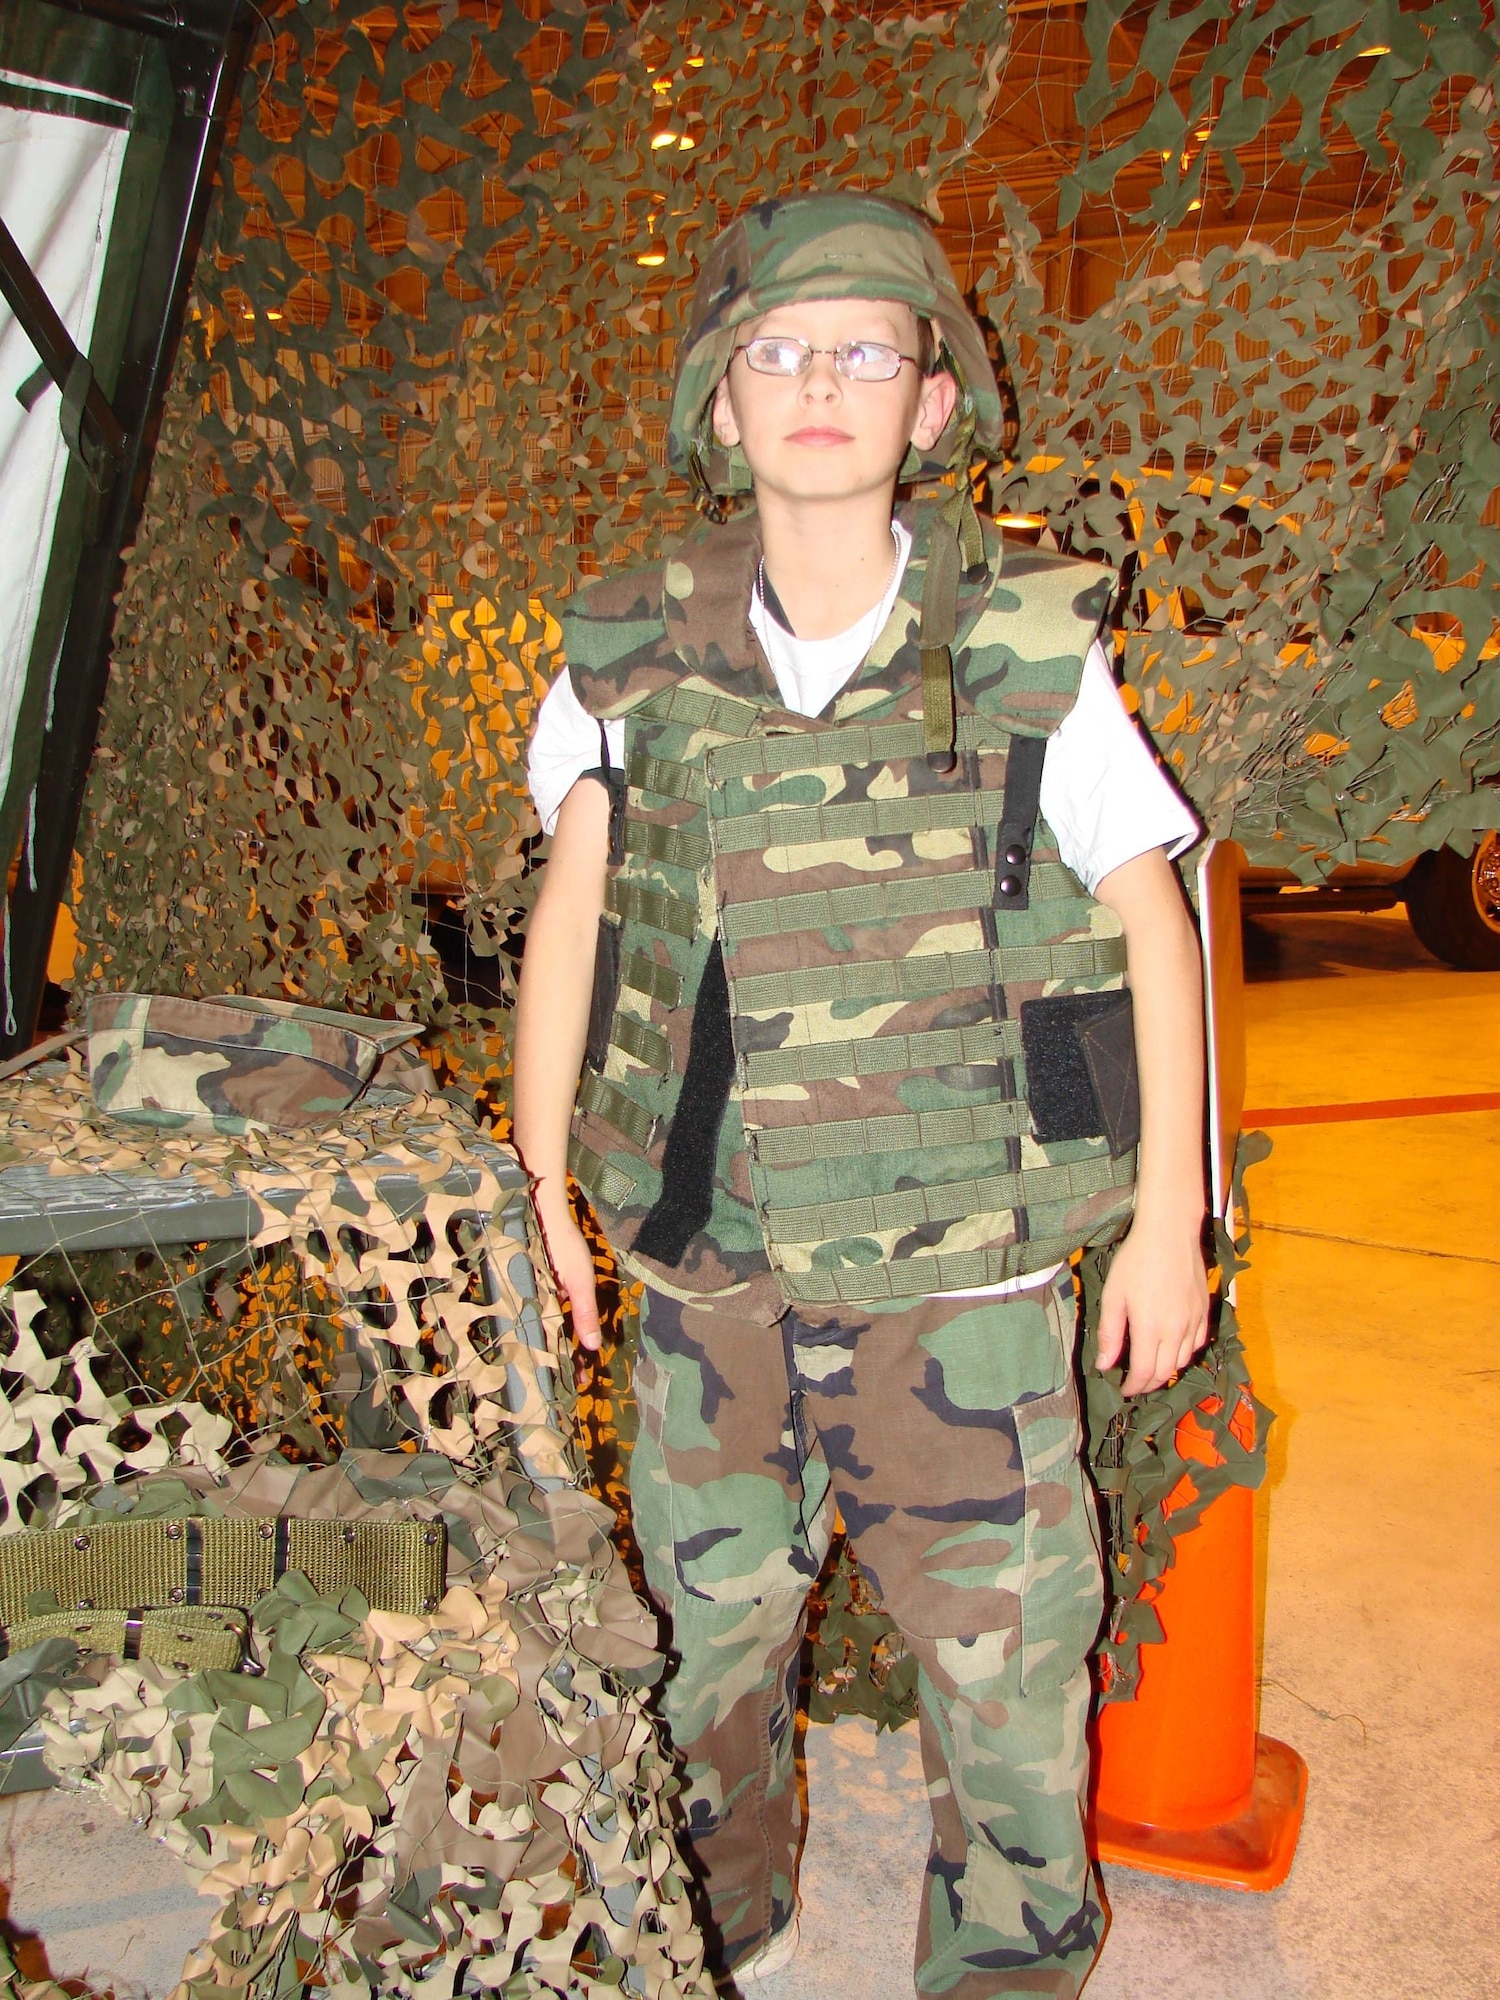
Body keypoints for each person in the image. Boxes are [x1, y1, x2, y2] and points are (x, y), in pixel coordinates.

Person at [513, 191, 1209, 2000]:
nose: (822, 381)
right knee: (700, 1653)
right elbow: (576, 915)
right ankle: (709, 1926)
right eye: (777, 350)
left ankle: (1004, 1970)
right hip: (706, 1275)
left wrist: (1166, 1228)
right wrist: (535, 1187)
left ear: (932, 406)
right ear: (718, 404)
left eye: (867, 351)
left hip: (965, 1294)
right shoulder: (625, 652)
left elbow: (1155, 924)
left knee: (1010, 1681)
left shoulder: (1031, 647)